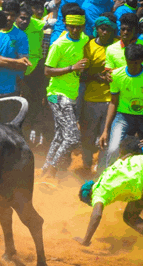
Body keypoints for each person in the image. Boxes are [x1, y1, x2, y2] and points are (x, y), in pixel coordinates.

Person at [74, 135, 143, 246]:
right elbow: (128, 155)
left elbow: (97, 215)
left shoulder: (99, 193)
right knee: (130, 215)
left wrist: (86, 240)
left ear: (91, 197)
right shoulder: (106, 173)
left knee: (130, 217)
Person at [41, 4, 89, 178]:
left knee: (61, 136)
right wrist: (72, 67)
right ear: (66, 25)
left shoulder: (84, 39)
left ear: (83, 25)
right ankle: (52, 170)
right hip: (58, 95)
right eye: (71, 26)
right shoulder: (58, 44)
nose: (75, 30)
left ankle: (45, 168)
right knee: (72, 138)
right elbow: (47, 71)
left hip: (70, 95)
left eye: (78, 26)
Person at [98, 44, 143, 168]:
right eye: (129, 62)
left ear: (142, 60)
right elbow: (113, 102)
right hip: (124, 116)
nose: (132, 66)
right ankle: (108, 178)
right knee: (113, 149)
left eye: (135, 63)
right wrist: (106, 130)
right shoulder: (117, 75)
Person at [80, 13, 118, 173]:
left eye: (109, 30)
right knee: (88, 134)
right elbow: (81, 75)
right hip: (91, 98)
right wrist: (96, 76)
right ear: (96, 29)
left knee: (106, 135)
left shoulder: (119, 46)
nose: (105, 32)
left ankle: (101, 168)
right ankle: (86, 163)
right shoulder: (88, 47)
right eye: (103, 29)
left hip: (112, 100)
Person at [16, 3, 47, 146]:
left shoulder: (39, 25)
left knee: (31, 106)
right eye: (21, 18)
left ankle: (26, 139)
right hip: (14, 70)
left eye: (27, 19)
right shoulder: (10, 28)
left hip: (34, 70)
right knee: (15, 106)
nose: (24, 21)